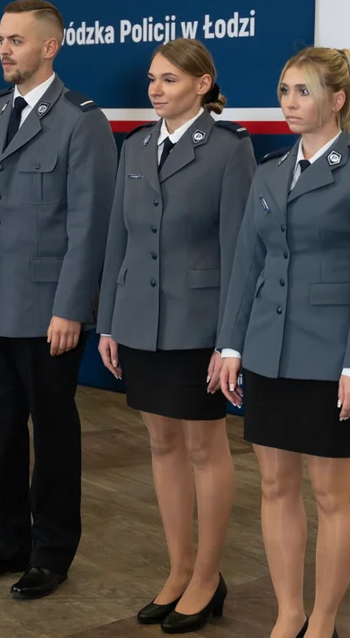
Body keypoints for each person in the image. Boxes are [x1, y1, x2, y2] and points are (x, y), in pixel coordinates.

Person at [218, 47, 350, 638]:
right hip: (268, 351)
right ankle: (289, 613)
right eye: (284, 90)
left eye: (303, 91)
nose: (289, 102)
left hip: (329, 358)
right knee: (275, 486)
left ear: (337, 99)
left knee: (331, 494)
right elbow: (247, 265)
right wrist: (230, 345)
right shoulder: (270, 169)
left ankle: (322, 622)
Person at [0, 0, 117, 599]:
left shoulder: (80, 121)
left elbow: (89, 224)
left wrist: (71, 306)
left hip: (49, 311)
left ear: (50, 47)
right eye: (1, 38)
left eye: (16, 40)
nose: (4, 49)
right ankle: (4, 542)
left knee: (52, 437)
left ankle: (51, 551)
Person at [96, 38, 254, 633]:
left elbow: (240, 251)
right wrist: (109, 319)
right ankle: (179, 569)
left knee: (204, 448)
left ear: (202, 84)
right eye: (152, 79)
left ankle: (208, 577)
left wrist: (228, 341)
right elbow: (118, 239)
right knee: (161, 444)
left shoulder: (229, 149)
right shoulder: (136, 145)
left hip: (197, 324)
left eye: (169, 79)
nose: (155, 89)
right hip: (139, 319)